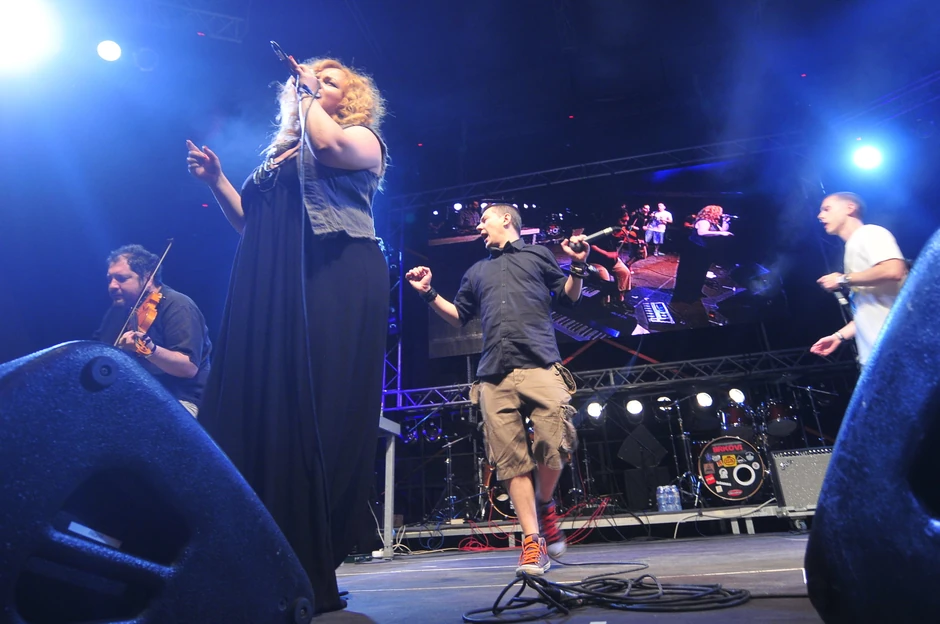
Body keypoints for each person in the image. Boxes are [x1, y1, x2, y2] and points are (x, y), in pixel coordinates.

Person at [185, 56, 388, 614]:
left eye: (330, 81)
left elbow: (328, 147)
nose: (315, 83)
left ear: (350, 98)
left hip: (336, 272)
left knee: (317, 407)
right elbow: (252, 225)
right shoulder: (279, 155)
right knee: (266, 405)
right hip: (276, 279)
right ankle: (261, 557)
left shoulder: (361, 139)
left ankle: (312, 555)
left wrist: (308, 94)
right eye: (310, 78)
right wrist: (218, 180)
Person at [405, 204, 588, 576]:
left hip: (540, 363)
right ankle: (533, 541)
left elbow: (569, 296)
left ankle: (545, 501)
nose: (479, 227)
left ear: (506, 219)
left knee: (555, 442)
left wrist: (579, 266)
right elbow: (459, 317)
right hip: (493, 374)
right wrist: (428, 293)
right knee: (509, 460)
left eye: (484, 219)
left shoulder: (538, 255)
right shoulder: (476, 271)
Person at [92, 244, 211, 417]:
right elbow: (99, 349)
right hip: (137, 398)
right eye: (110, 279)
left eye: (121, 278)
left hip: (180, 400)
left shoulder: (178, 305)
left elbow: (187, 368)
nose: (112, 285)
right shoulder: (118, 311)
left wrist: (149, 350)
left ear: (148, 277)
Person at [810, 192, 907, 367]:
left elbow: (894, 270)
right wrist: (839, 336)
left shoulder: (869, 233)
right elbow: (870, 307)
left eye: (827, 209)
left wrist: (842, 280)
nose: (820, 216)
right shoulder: (853, 246)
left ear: (850, 208)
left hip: (899, 348)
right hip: (878, 355)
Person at [672, 204, 733, 304]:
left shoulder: (713, 223)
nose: (721, 214)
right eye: (719, 212)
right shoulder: (703, 222)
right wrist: (721, 233)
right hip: (695, 250)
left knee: (701, 272)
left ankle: (696, 291)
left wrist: (726, 222)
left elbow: (723, 231)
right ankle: (684, 294)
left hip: (705, 250)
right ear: (713, 212)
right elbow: (702, 233)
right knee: (691, 271)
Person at [590, 235, 631, 305]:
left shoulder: (614, 233)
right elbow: (592, 245)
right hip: (597, 260)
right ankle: (606, 301)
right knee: (606, 279)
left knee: (625, 272)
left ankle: (620, 299)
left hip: (612, 261)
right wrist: (606, 253)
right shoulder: (596, 231)